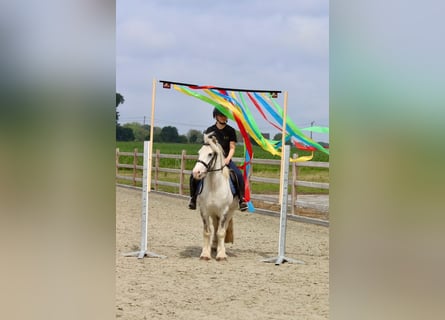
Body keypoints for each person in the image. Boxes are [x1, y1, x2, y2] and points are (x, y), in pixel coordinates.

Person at [188, 108, 248, 211]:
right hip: (211, 160)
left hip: (225, 159)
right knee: (193, 175)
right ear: (215, 116)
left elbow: (232, 147)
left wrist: (228, 158)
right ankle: (193, 198)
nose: (223, 117)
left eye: (224, 116)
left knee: (238, 174)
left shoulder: (230, 130)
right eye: (220, 115)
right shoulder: (210, 130)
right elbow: (206, 147)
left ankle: (241, 199)